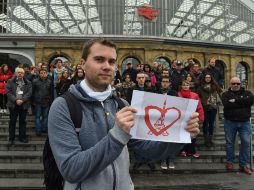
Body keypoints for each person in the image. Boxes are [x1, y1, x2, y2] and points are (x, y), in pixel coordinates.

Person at [48, 38, 200, 190]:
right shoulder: (63, 106)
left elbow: (147, 149)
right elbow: (71, 169)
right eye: (99, 59)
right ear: (82, 64)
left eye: (112, 61)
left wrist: (180, 134)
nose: (107, 66)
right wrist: (117, 135)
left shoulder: (121, 104)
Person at [221, 76, 254, 175]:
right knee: (229, 143)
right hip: (230, 122)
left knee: (246, 142)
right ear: (230, 84)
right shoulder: (225, 94)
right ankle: (230, 162)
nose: (236, 85)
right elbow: (227, 105)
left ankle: (244, 164)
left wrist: (235, 101)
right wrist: (242, 102)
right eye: (233, 83)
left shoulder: (248, 93)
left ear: (240, 84)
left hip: (245, 122)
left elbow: (250, 102)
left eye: (237, 83)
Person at [6, 67, 32, 145]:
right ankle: (11, 138)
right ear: (15, 73)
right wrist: (16, 100)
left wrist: (22, 100)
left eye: (21, 72)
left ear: (24, 74)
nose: (20, 74)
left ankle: (22, 137)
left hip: (23, 105)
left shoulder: (28, 82)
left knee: (23, 122)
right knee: (12, 122)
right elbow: (8, 92)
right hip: (13, 105)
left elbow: (29, 93)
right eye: (18, 72)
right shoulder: (10, 81)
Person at [32, 68, 51, 136]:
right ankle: (38, 130)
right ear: (39, 74)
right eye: (41, 73)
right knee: (38, 116)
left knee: (45, 116)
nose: (43, 74)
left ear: (46, 74)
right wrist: (32, 101)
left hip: (46, 101)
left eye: (44, 73)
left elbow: (50, 92)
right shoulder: (35, 81)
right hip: (38, 102)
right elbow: (32, 91)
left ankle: (44, 128)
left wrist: (50, 100)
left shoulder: (49, 81)